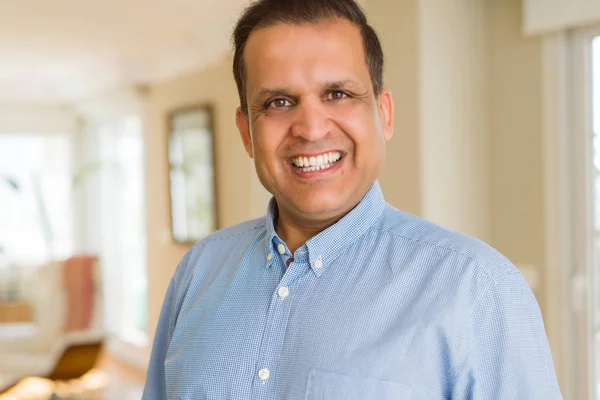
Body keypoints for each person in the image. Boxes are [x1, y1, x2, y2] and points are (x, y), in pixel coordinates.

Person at [143, 0, 563, 398]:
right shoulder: (198, 273)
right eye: (279, 102)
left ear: (384, 115)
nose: (310, 128)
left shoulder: (478, 288)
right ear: (245, 132)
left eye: (338, 94)